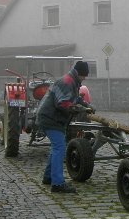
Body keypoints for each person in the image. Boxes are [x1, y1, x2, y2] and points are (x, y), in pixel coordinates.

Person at [37, 60, 90, 193]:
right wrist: (78, 109)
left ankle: (48, 177)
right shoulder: (67, 82)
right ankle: (57, 184)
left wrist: (85, 104)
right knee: (59, 147)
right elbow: (63, 103)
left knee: (56, 147)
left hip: (52, 119)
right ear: (78, 73)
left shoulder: (73, 81)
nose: (84, 78)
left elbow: (74, 98)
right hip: (50, 118)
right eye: (84, 76)